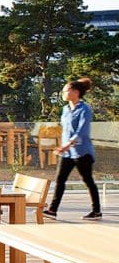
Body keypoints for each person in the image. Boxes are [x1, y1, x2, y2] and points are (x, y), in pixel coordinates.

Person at [44, 78, 101, 220]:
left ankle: (97, 211)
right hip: (67, 153)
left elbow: (82, 131)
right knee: (60, 179)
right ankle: (52, 210)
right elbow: (66, 130)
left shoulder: (85, 109)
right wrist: (63, 145)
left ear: (75, 92)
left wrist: (67, 144)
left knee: (88, 180)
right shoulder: (65, 109)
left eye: (65, 90)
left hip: (82, 152)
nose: (63, 93)